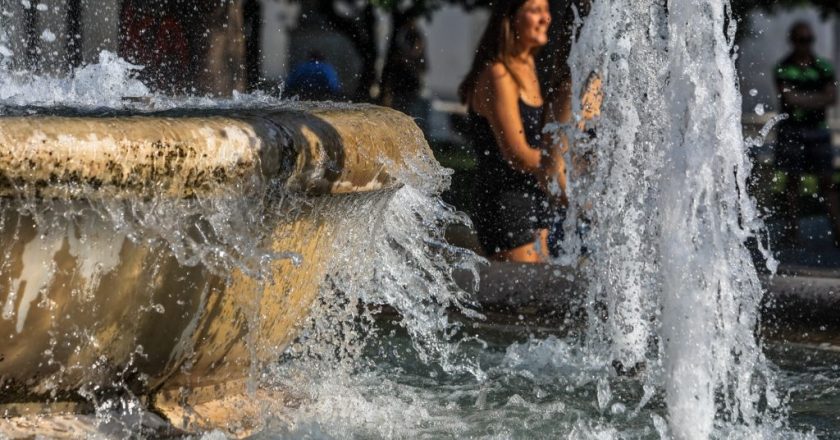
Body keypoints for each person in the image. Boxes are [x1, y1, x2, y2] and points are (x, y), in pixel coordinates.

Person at [459, 0, 563, 263]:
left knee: (540, 295)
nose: (545, 18)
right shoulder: (499, 75)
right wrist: (561, 167)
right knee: (520, 299)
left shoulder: (528, 69)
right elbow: (517, 154)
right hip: (507, 204)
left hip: (534, 199)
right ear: (511, 18)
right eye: (535, 10)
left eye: (546, 10)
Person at [774, 21, 839, 245]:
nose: (805, 45)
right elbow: (788, 98)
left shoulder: (823, 66)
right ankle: (792, 232)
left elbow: (831, 98)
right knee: (792, 182)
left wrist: (802, 100)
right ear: (792, 41)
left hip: (817, 131)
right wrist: (816, 100)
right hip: (792, 130)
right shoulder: (784, 67)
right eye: (801, 40)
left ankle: (837, 230)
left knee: (827, 182)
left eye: (809, 40)